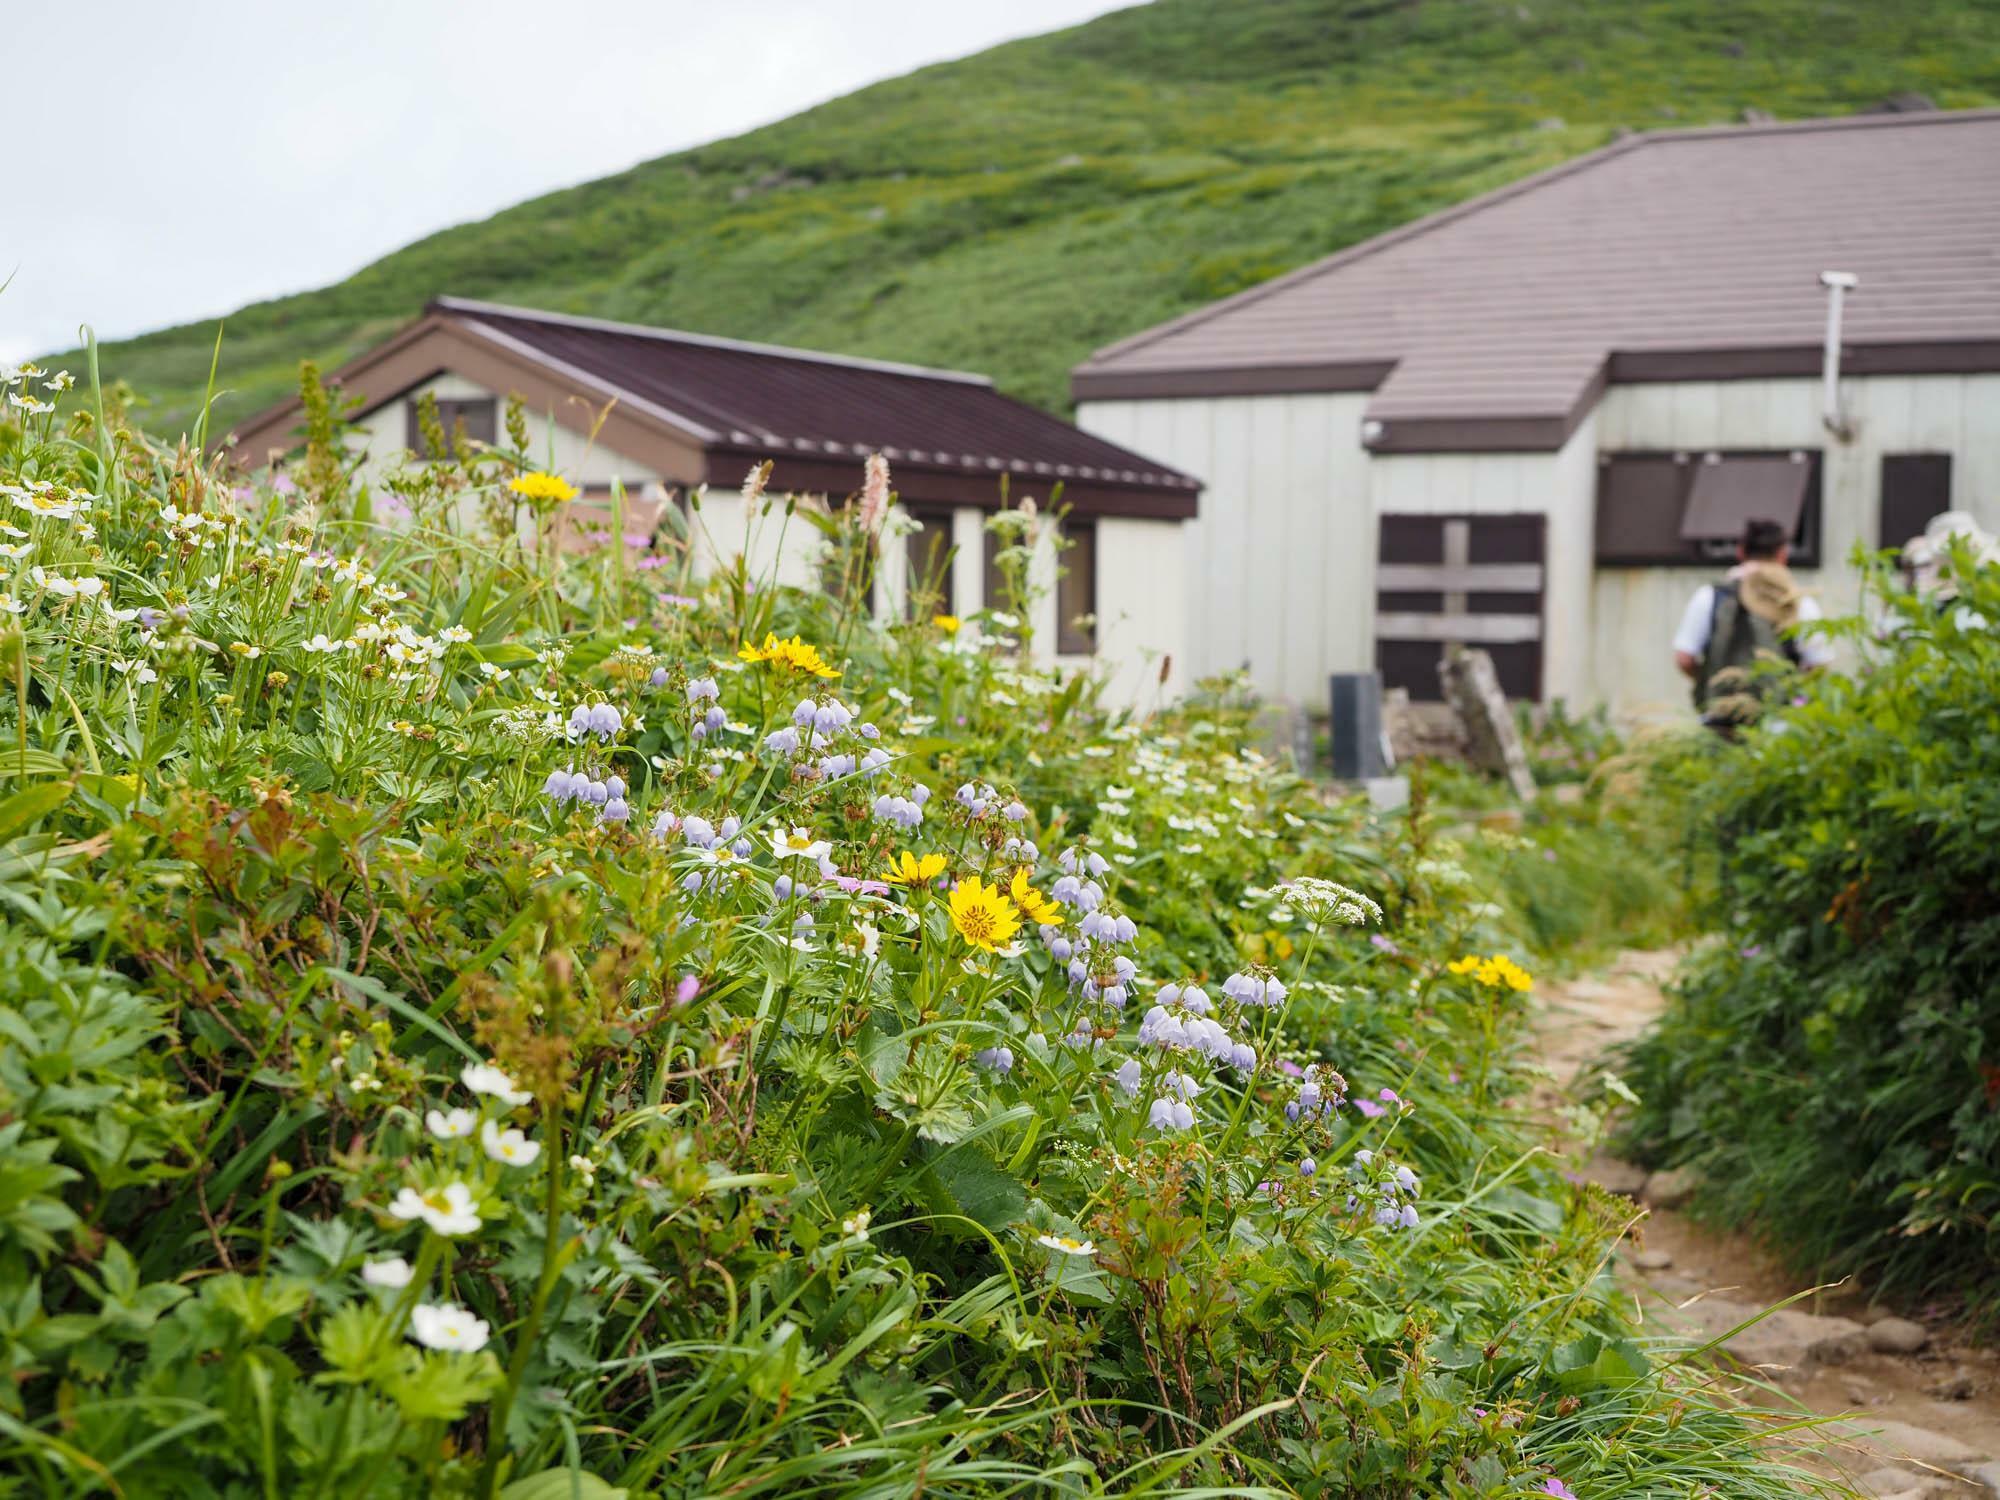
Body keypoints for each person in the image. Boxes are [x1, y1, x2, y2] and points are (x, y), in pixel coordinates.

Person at [1672, 517, 1832, 717]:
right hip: (1779, 719)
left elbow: (1684, 659)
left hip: (1720, 716)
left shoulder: (1710, 596)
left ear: (1740, 551)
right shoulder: (1798, 602)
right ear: (1783, 555)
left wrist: (1711, 679)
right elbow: (1818, 665)